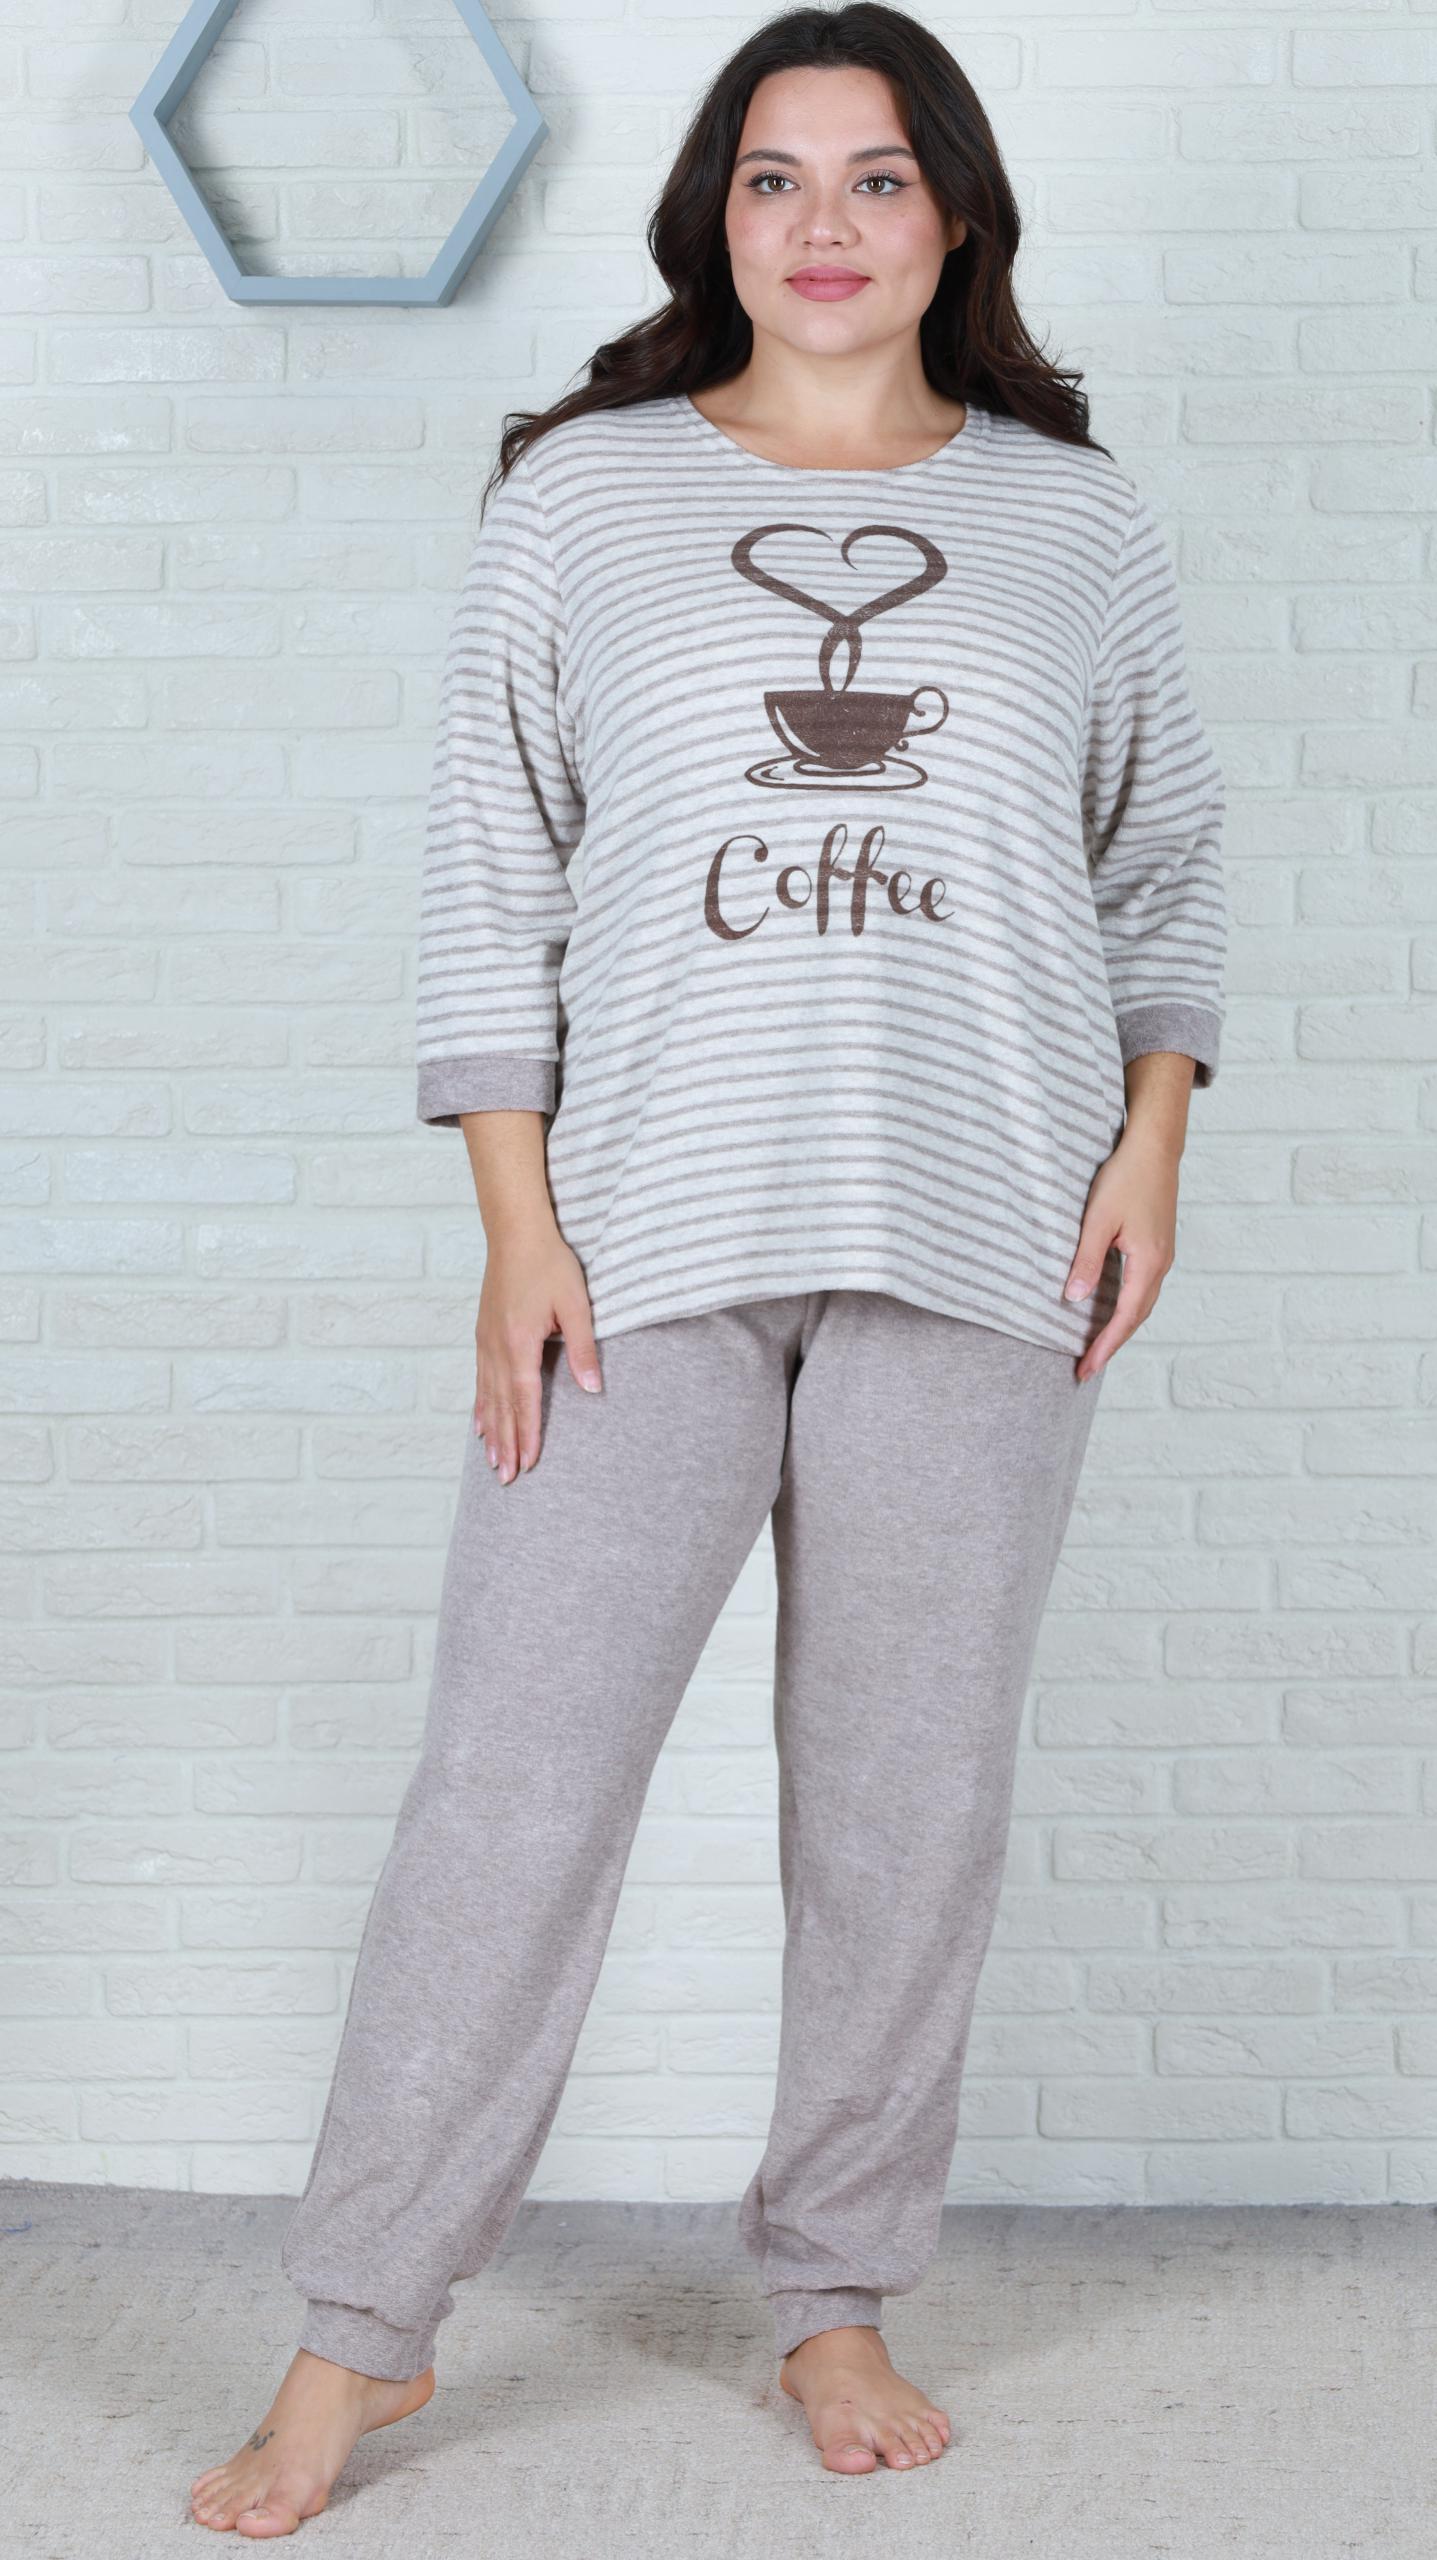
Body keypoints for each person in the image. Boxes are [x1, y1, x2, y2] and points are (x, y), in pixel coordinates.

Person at [188, 1, 1226, 2533]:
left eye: (873, 178)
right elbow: (491, 874)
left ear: (951, 215)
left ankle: (835, 2290)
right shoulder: (581, 497)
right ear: (714, 217)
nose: (822, 224)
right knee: (510, 1788)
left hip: (985, 1229)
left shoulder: (1071, 518)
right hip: (638, 1241)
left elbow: (1159, 858)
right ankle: (359, 2331)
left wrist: (1153, 1139)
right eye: (774, 178)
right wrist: (511, 1224)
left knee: (902, 1810)